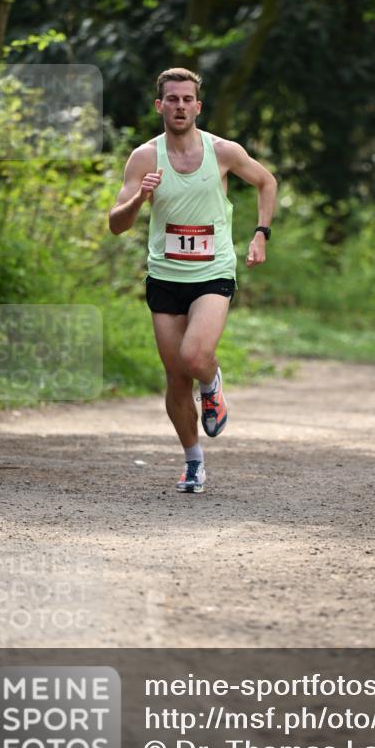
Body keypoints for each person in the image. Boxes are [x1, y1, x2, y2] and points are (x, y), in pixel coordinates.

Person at [109, 67, 277, 493]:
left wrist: (261, 234)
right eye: (172, 99)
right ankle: (193, 462)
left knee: (195, 355)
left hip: (213, 271)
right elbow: (116, 224)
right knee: (175, 376)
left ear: (198, 107)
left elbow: (266, 181)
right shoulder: (144, 157)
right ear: (159, 106)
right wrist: (138, 198)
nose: (180, 106)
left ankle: (213, 382)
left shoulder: (222, 151)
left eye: (187, 99)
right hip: (165, 274)